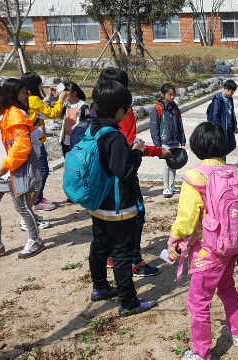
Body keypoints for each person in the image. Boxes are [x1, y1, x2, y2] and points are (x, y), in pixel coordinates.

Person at [71, 67, 168, 277]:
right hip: (122, 186)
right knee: (135, 219)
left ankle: (103, 278)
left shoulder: (93, 114)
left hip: (98, 184)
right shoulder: (121, 114)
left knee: (101, 236)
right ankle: (132, 263)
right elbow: (129, 148)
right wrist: (156, 151)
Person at [167, 122, 238, 360]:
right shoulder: (234, 172)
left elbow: (187, 220)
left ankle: (201, 352)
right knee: (227, 288)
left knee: (199, 301)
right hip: (231, 245)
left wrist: (174, 239)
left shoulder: (193, 177)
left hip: (207, 250)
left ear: (196, 146)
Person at [85, 80, 156, 317]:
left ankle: (100, 287)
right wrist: (135, 151)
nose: (127, 111)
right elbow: (125, 172)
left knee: (99, 246)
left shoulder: (92, 129)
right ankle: (128, 301)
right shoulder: (114, 136)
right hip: (118, 205)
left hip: (98, 202)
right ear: (117, 109)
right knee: (122, 253)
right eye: (125, 107)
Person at [0, 78, 45, 260]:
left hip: (13, 170)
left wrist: (7, 165)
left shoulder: (14, 113)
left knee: (22, 207)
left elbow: (22, 144)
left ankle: (35, 240)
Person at [2, 78, 50, 231]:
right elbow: (26, 136)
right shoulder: (18, 112)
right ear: (13, 94)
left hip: (26, 154)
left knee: (32, 185)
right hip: (28, 155)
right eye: (23, 93)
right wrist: (40, 131)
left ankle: (28, 216)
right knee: (33, 185)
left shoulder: (10, 111)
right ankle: (27, 219)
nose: (26, 96)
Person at [22, 72, 68, 212]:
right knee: (42, 172)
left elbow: (40, 110)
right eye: (39, 83)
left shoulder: (27, 98)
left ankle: (37, 198)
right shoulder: (33, 99)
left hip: (33, 140)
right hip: (35, 141)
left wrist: (49, 96)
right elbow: (52, 113)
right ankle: (36, 201)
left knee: (39, 172)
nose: (41, 86)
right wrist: (61, 100)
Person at [149, 83, 186, 198]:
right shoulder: (158, 109)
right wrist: (157, 144)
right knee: (167, 164)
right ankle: (166, 187)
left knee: (174, 163)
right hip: (165, 141)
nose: (172, 97)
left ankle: (172, 185)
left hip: (175, 141)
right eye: (169, 94)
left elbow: (180, 125)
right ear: (162, 94)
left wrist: (183, 141)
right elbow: (154, 127)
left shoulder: (175, 109)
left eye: (173, 95)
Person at [208, 79, 238, 158]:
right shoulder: (218, 100)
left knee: (232, 145)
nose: (232, 94)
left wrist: (234, 124)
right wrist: (218, 129)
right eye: (231, 92)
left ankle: (220, 161)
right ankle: (221, 165)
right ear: (226, 88)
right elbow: (215, 116)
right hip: (221, 128)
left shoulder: (230, 98)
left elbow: (232, 112)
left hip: (229, 127)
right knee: (222, 148)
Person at [58, 82, 88, 157]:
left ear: (74, 93)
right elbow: (55, 114)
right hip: (66, 140)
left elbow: (87, 123)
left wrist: (74, 128)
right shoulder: (65, 106)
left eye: (67, 91)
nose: (65, 93)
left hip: (78, 140)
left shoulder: (83, 107)